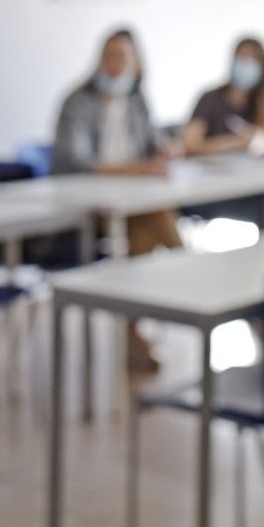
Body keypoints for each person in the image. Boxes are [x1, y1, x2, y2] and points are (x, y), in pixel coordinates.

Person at [50, 27, 182, 369]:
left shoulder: (136, 101)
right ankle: (190, 274)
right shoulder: (77, 104)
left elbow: (153, 140)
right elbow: (76, 162)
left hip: (130, 206)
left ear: (136, 65)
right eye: (108, 56)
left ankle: (133, 328)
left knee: (145, 222)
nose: (114, 64)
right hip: (85, 210)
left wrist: (168, 148)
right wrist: (135, 169)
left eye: (122, 57)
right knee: (155, 217)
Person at [180, 36, 264, 227]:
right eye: (242, 58)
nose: (247, 65)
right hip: (209, 192)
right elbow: (190, 146)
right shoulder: (210, 100)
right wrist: (236, 142)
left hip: (248, 190)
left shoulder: (263, 105)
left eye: (253, 60)